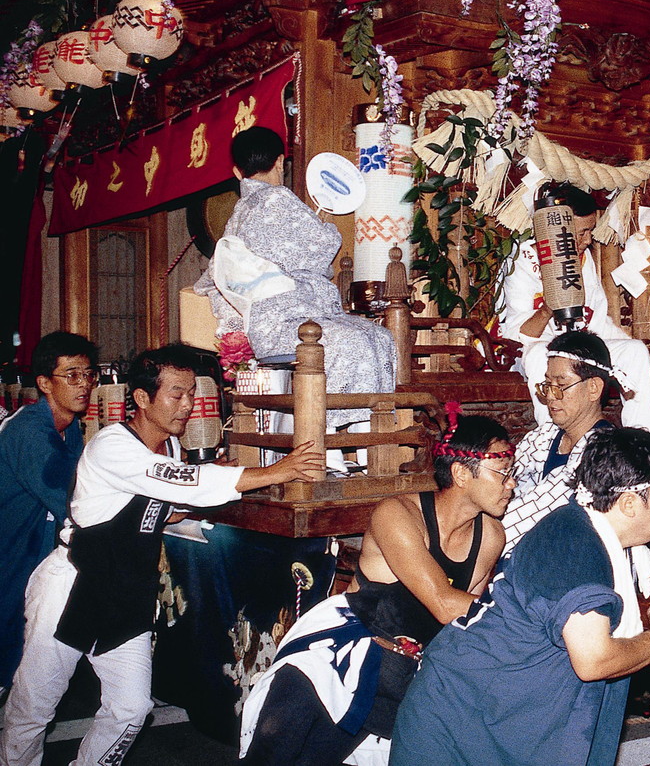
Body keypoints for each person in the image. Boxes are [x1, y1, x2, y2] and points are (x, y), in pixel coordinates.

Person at [0, 345, 324, 766]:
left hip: (126, 591)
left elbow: (163, 503)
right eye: (176, 394)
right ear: (141, 397)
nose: (187, 405)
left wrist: (216, 483)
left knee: (131, 709)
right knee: (34, 706)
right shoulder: (112, 445)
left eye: (191, 393)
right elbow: (179, 482)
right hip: (73, 585)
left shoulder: (169, 447)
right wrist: (274, 471)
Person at [389, 426, 650, 766]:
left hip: (492, 711)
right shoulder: (573, 547)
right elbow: (594, 661)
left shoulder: (592, 535)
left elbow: (599, 649)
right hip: (458, 719)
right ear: (629, 503)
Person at [239, 413, 513, 766]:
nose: (511, 484)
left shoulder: (490, 535)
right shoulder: (397, 513)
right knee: (277, 749)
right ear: (461, 473)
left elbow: (462, 624)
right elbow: (445, 604)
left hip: (404, 663)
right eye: (502, 472)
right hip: (340, 650)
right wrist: (523, 618)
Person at [194, 126, 396, 431]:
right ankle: (339, 433)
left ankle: (359, 433)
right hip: (290, 320)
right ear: (280, 162)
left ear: (237, 172)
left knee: (375, 336)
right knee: (365, 339)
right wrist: (328, 228)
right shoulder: (277, 198)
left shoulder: (238, 213)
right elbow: (323, 245)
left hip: (274, 322)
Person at [496, 181, 650, 430]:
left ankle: (642, 438)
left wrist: (636, 344)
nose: (587, 239)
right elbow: (518, 335)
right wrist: (549, 308)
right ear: (555, 230)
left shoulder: (584, 259)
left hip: (579, 347)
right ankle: (552, 438)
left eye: (589, 231)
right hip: (534, 351)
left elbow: (598, 321)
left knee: (634, 350)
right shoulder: (523, 259)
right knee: (540, 356)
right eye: (581, 233)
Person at [0, 331, 98, 692]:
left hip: (30, 552)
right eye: (71, 375)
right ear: (44, 383)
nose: (84, 384)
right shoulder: (30, 431)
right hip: (11, 554)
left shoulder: (68, 429)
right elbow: (72, 499)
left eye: (88, 374)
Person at [502, 329, 626, 553]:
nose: (550, 396)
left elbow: (538, 514)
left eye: (561, 386)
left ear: (594, 388)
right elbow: (503, 481)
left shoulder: (605, 453)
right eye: (548, 384)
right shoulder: (543, 437)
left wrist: (484, 539)